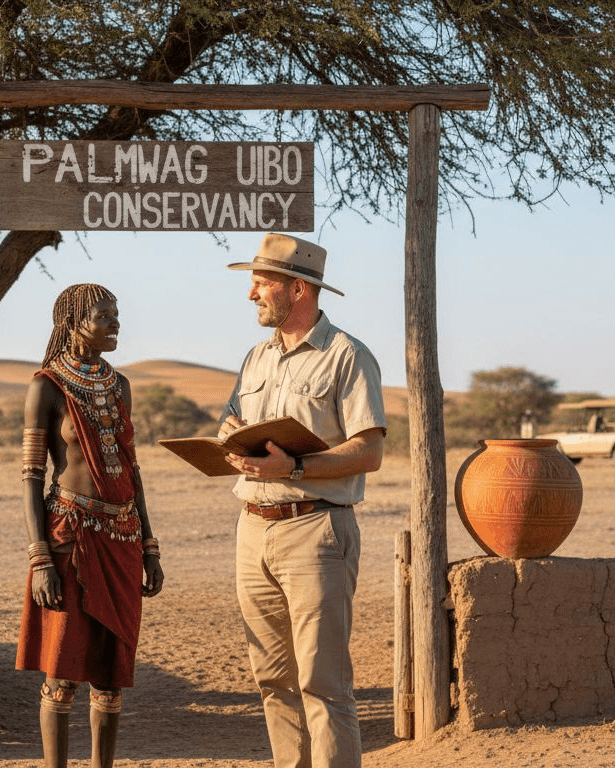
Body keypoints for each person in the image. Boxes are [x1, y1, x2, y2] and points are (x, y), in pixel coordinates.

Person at [220, 233, 387, 768]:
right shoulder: (255, 357)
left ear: (298, 289)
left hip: (316, 532)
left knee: (323, 682)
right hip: (253, 529)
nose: (252, 294)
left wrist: (292, 467)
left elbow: (369, 450)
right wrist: (230, 436)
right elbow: (232, 420)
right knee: (272, 679)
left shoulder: (348, 356)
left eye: (261, 282)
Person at [16, 283, 166, 768]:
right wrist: (40, 558)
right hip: (69, 540)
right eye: (105, 315)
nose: (116, 323)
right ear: (74, 323)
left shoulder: (119, 385)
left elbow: (132, 468)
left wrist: (149, 546)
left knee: (109, 674)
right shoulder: (47, 387)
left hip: (121, 540)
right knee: (62, 673)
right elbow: (31, 477)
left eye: (117, 314)